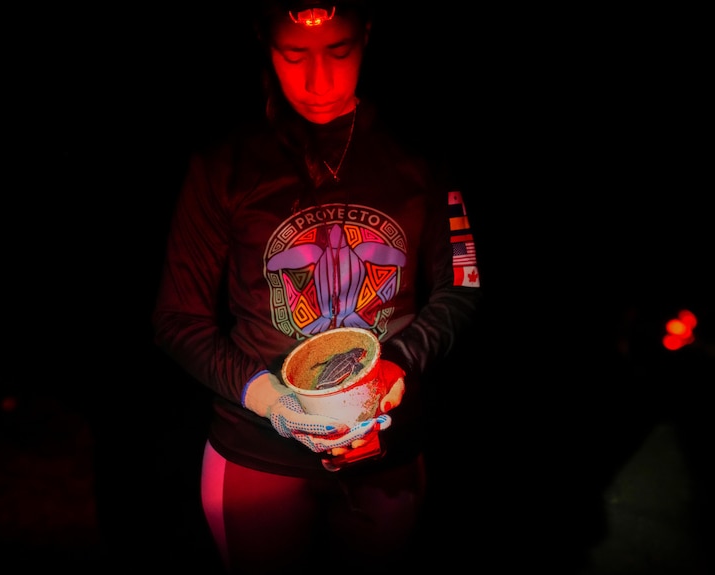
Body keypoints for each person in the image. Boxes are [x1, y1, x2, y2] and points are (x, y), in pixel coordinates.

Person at [151, 0, 483, 571]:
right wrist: (275, 404)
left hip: (389, 452)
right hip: (257, 456)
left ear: (368, 35)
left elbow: (463, 284)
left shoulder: (420, 156)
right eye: (293, 54)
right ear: (264, 44)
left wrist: (395, 367)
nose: (318, 80)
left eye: (339, 50)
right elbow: (177, 319)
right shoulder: (224, 164)